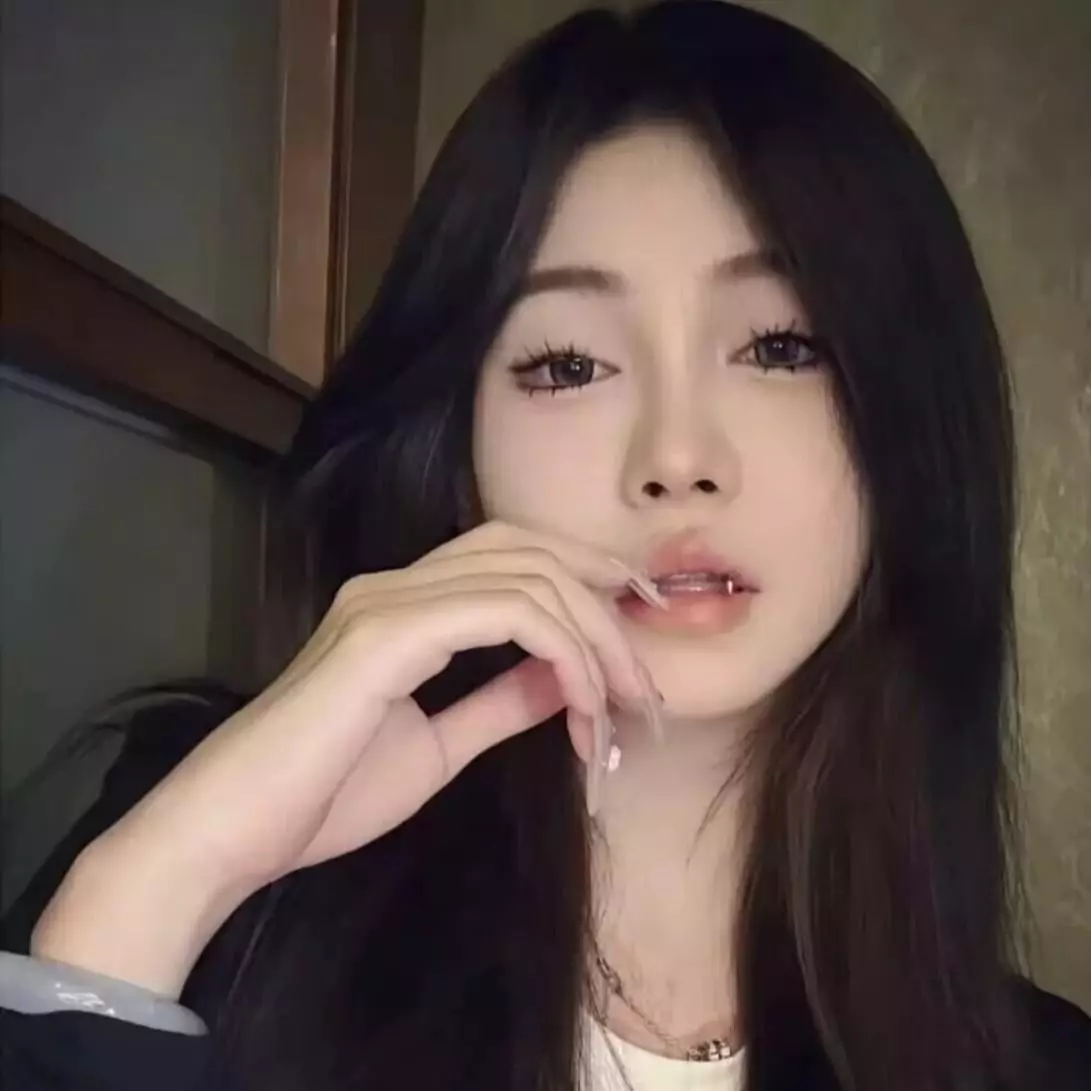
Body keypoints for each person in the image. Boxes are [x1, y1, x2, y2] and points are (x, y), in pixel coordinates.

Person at [1, 3, 1089, 1089]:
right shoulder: (210, 896)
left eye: (778, 345)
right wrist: (156, 890)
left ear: (902, 417)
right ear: (457, 441)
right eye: (569, 364)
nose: (675, 457)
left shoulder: (1035, 1064)